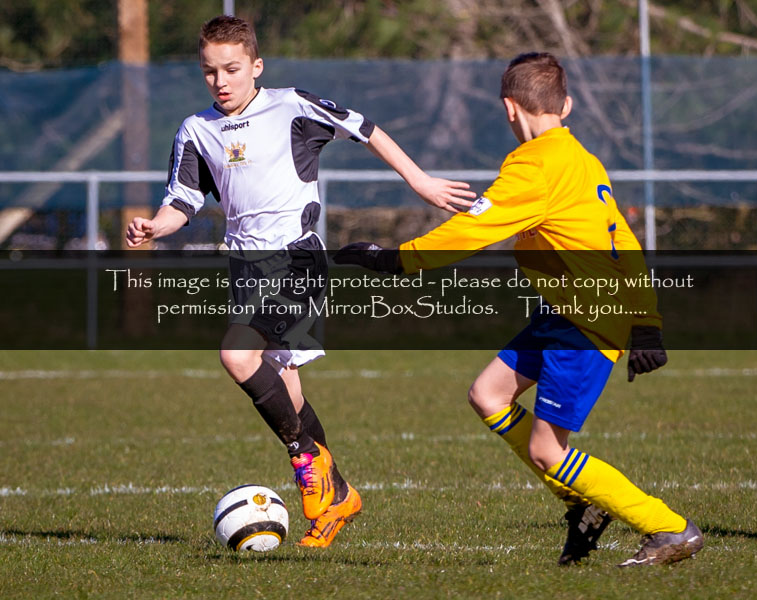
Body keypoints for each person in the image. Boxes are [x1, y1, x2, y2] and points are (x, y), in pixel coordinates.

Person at [334, 52, 704, 566]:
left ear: (509, 107)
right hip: (568, 312)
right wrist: (646, 322)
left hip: (587, 321)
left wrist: (397, 259)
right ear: (566, 105)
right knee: (488, 394)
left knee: (547, 451)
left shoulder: (535, 165)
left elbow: (475, 228)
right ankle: (582, 505)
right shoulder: (582, 159)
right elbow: (623, 241)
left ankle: (669, 528)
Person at [125, 15, 475, 548]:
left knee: (237, 356)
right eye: (210, 71)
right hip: (245, 269)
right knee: (286, 387)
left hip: (297, 260)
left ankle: (305, 456)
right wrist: (156, 225)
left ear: (256, 67)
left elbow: (366, 129)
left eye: (232, 69)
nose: (220, 81)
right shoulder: (196, 130)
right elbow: (183, 199)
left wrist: (420, 181)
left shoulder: (291, 106)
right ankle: (339, 497)